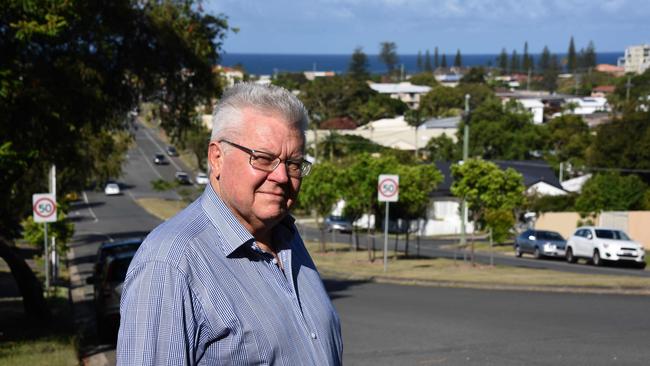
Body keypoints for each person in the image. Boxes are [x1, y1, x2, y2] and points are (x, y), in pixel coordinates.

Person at [117, 83, 343, 365]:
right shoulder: (170, 263)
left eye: (293, 164)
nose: (282, 177)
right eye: (263, 159)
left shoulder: (287, 238)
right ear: (217, 157)